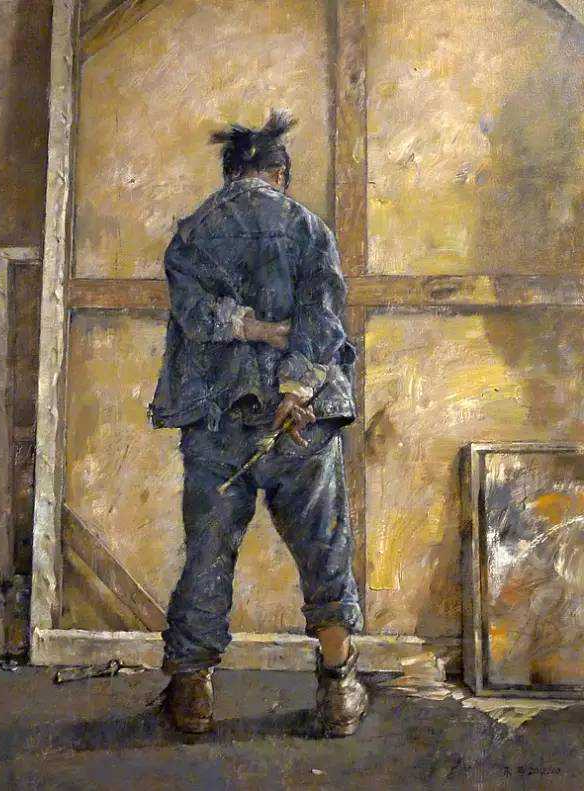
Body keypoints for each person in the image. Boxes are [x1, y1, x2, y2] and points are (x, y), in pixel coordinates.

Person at [148, 110, 367, 737]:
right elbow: (323, 319)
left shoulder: (192, 234)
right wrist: (296, 388)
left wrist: (249, 327)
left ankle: (192, 692)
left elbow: (195, 315)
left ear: (229, 175)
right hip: (304, 423)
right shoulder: (308, 227)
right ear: (280, 174)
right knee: (324, 547)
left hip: (219, 420)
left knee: (209, 551)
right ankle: (339, 690)